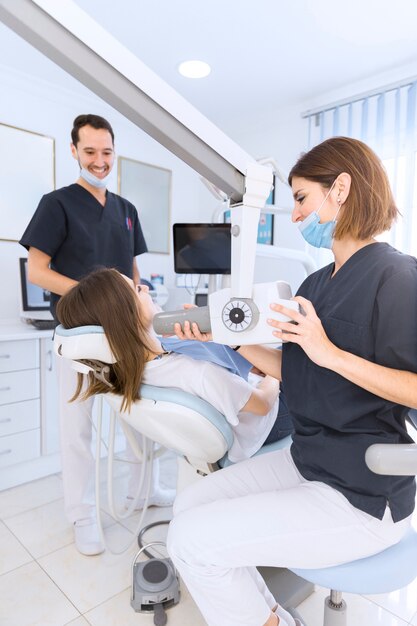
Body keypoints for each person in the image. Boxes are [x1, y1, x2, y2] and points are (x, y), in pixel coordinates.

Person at [167, 136, 417, 626]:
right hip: (310, 460)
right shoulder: (314, 285)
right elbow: (297, 370)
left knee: (190, 542)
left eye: (302, 198)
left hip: (363, 490)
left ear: (341, 189)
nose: (297, 215)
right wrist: (229, 342)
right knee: (191, 502)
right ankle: (270, 615)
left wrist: (330, 352)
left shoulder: (399, 278)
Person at [19, 114, 173, 556]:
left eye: (106, 152)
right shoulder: (57, 204)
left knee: (139, 413)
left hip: (124, 330)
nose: (100, 161)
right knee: (77, 428)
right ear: (74, 151)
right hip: (79, 330)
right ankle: (83, 515)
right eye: (90, 152)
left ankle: (143, 491)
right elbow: (38, 270)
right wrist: (97, 297)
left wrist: (138, 292)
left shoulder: (126, 211)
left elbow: (133, 270)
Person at [55, 267, 284, 466]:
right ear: (125, 317)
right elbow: (263, 404)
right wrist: (277, 375)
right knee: (295, 357)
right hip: (263, 426)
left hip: (244, 396)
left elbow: (227, 368)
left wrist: (221, 342)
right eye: (136, 290)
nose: (145, 288)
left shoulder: (133, 368)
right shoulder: (195, 372)